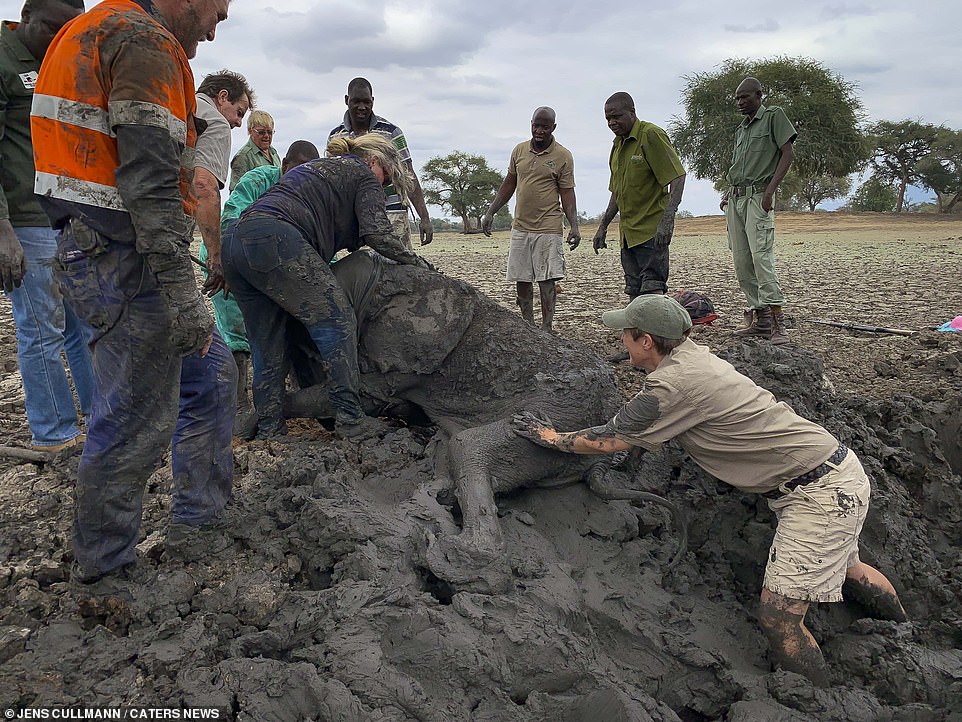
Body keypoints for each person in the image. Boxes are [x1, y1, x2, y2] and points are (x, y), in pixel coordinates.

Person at [512, 294, 908, 687]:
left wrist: (549, 436)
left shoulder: (672, 387)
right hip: (833, 471)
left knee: (778, 616)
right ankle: (904, 631)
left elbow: (612, 439)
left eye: (626, 336)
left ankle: (821, 698)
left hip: (819, 493)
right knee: (847, 566)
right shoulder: (693, 355)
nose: (621, 342)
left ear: (646, 341)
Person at [31, 0, 236, 588]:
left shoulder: (99, 29)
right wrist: (182, 291)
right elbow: (148, 183)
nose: (214, 30)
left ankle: (200, 521)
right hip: (123, 258)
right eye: (215, 13)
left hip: (103, 249)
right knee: (134, 418)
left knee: (211, 375)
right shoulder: (141, 41)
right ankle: (105, 572)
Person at [222, 133, 433, 441]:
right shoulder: (362, 173)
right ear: (374, 161)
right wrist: (417, 263)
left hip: (237, 244)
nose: (381, 185)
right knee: (337, 319)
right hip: (275, 239)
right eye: (385, 176)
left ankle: (270, 427)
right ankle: (350, 416)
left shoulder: (323, 169)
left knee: (267, 342)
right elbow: (378, 234)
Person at [1, 0, 93, 454]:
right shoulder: (3, 58)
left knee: (83, 324)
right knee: (41, 328)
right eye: (52, 29)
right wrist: (2, 230)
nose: (60, 39)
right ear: (26, 18)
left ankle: (101, 420)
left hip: (65, 217)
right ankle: (53, 433)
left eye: (68, 32)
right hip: (24, 219)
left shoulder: (60, 61)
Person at [216, 140, 320, 422]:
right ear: (284, 166)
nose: (302, 179)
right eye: (298, 170)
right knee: (239, 332)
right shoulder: (258, 180)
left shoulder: (308, 195)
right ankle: (238, 405)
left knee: (285, 327)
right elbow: (230, 219)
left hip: (274, 267)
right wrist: (224, 265)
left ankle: (292, 396)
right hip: (230, 258)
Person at [480, 107, 580, 332]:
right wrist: (490, 211)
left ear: (553, 127)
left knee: (547, 279)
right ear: (531, 124)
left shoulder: (563, 156)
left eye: (545, 126)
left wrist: (574, 226)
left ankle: (546, 327)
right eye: (536, 125)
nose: (539, 130)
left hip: (548, 226)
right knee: (522, 277)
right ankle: (528, 326)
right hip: (521, 226)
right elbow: (509, 184)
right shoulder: (519, 151)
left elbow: (567, 193)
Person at [191, 69, 253, 413]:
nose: (237, 124)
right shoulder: (213, 122)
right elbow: (205, 187)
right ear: (223, 97)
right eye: (239, 113)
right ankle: (216, 404)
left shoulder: (184, 108)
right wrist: (216, 258)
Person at [720, 77, 797, 345]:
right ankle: (761, 318)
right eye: (738, 99)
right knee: (742, 262)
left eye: (745, 97)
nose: (740, 102)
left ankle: (778, 322)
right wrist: (728, 194)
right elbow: (738, 167)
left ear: (759, 95)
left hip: (758, 199)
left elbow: (787, 154)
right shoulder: (741, 130)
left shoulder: (774, 117)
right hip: (736, 200)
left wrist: (769, 192)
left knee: (761, 259)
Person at [592, 92, 686, 299]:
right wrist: (603, 226)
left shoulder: (650, 135)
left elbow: (677, 177)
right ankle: (639, 333)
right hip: (628, 235)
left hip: (651, 232)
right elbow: (617, 191)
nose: (612, 122)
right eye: (608, 118)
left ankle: (655, 332)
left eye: (616, 116)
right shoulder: (617, 146)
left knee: (652, 289)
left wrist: (668, 219)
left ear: (632, 113)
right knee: (633, 289)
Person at [329, 77, 433, 248]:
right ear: (347, 100)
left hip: (393, 214)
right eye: (356, 101)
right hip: (355, 218)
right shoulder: (336, 137)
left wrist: (425, 217)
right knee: (363, 270)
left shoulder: (391, 132)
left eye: (366, 102)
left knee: (400, 269)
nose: (362, 107)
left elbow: (408, 175)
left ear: (373, 101)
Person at [229, 109, 279, 191]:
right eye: (261, 132)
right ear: (250, 131)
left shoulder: (273, 152)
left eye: (269, 132)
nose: (266, 136)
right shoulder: (243, 157)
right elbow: (236, 193)